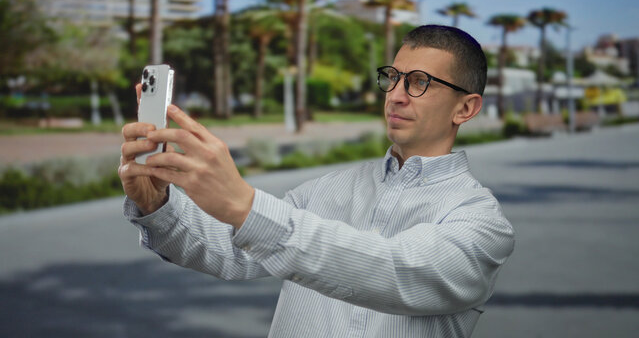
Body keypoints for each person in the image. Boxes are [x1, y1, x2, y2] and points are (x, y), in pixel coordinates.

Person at [119, 24, 515, 338]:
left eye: (418, 82)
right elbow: (231, 252)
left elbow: (394, 270)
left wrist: (245, 205)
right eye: (392, 77)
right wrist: (157, 204)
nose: (395, 95)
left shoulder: (479, 222)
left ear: (466, 107)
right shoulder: (326, 189)